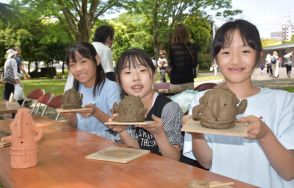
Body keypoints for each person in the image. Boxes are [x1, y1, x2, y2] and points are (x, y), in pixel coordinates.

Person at [185, 19, 294, 187]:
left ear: (259, 56)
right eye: (226, 52)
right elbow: (207, 162)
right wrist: (196, 132)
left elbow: (289, 171)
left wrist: (265, 134)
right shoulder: (203, 100)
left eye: (245, 51)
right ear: (215, 59)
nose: (235, 60)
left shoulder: (284, 102)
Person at [108, 48, 183, 160]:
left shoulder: (168, 108)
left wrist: (159, 134)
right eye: (128, 73)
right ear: (119, 81)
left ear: (153, 75)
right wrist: (122, 130)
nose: (136, 78)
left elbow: (174, 159)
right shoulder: (124, 108)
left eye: (142, 71)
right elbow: (137, 151)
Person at [63, 42, 121, 140]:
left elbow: (119, 125)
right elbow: (74, 126)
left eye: (83, 61)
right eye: (72, 65)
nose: (78, 69)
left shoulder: (111, 88)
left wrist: (95, 112)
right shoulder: (76, 90)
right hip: (82, 141)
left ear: (97, 60)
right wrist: (71, 116)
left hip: (107, 143)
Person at [64, 25, 115, 91]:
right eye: (113, 39)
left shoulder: (85, 47)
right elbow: (109, 73)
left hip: (70, 88)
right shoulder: (105, 49)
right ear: (108, 38)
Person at [169, 24, 198, 93]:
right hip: (189, 81)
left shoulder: (173, 47)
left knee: (176, 103)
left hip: (176, 81)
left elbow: (171, 64)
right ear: (187, 33)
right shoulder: (192, 47)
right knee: (189, 103)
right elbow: (195, 64)